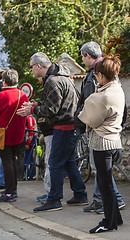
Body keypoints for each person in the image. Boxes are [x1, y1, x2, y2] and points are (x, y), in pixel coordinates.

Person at [17, 52, 88, 212]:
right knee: (68, 161)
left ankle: (54, 199)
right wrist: (40, 103)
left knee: (55, 163)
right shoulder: (63, 77)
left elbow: (52, 109)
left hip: (63, 127)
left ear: (39, 66)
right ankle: (80, 194)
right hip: (71, 125)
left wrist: (33, 108)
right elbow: (58, 102)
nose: (31, 71)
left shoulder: (52, 81)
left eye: (31, 67)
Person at [77, 41, 125, 213]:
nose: (82, 60)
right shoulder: (113, 82)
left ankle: (111, 203)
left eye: (82, 56)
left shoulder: (97, 77)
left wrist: (83, 120)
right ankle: (101, 202)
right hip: (112, 135)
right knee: (102, 172)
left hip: (102, 136)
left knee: (101, 172)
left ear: (88, 55)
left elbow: (93, 112)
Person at [0, 69, 27, 202]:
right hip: (18, 133)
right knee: (13, 160)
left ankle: (10, 192)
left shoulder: (1, 96)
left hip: (4, 133)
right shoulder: (22, 94)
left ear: (4, 81)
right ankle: (12, 188)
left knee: (7, 161)